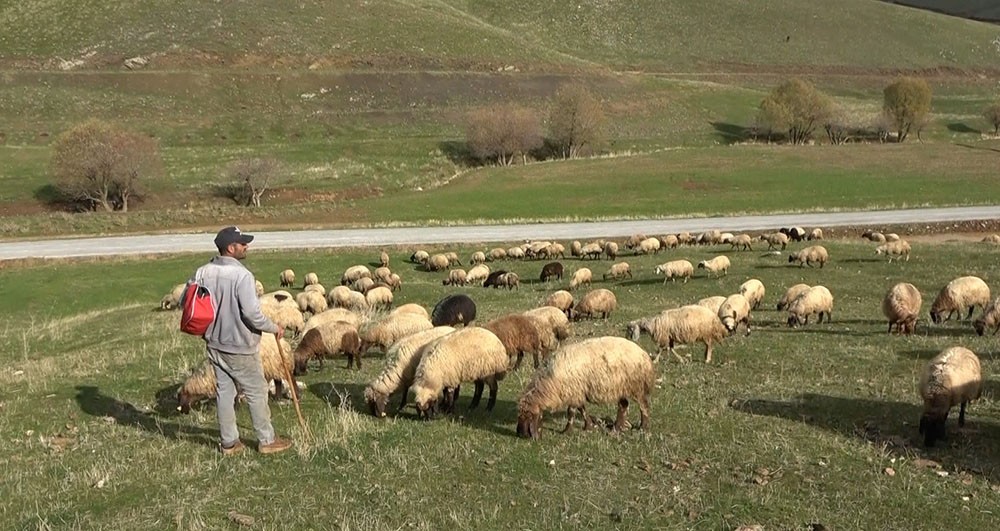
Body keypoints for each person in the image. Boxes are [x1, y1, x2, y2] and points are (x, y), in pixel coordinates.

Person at [186, 226, 292, 455]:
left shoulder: (202, 272)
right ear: (230, 248)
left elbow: (189, 300)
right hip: (239, 345)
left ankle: (229, 442)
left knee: (225, 391)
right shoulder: (241, 276)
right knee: (256, 389)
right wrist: (274, 327)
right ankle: (267, 440)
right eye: (242, 243)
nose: (246, 246)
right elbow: (252, 315)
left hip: (214, 342)